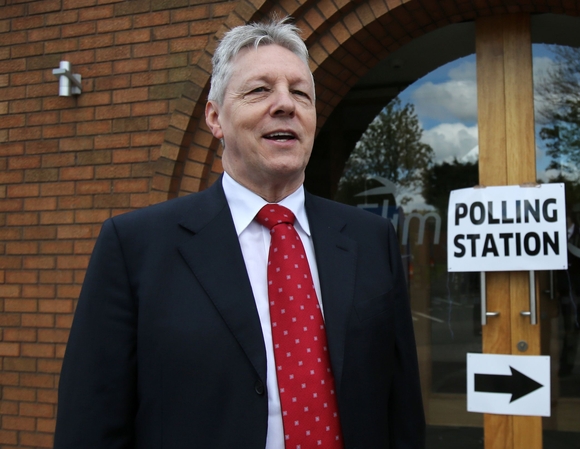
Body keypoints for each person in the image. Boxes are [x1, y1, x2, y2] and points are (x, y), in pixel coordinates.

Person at [54, 18, 425, 449]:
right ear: (215, 117)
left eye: (300, 93)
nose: (285, 104)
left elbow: (402, 411)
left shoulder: (371, 239)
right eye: (259, 90)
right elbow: (92, 421)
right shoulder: (135, 246)